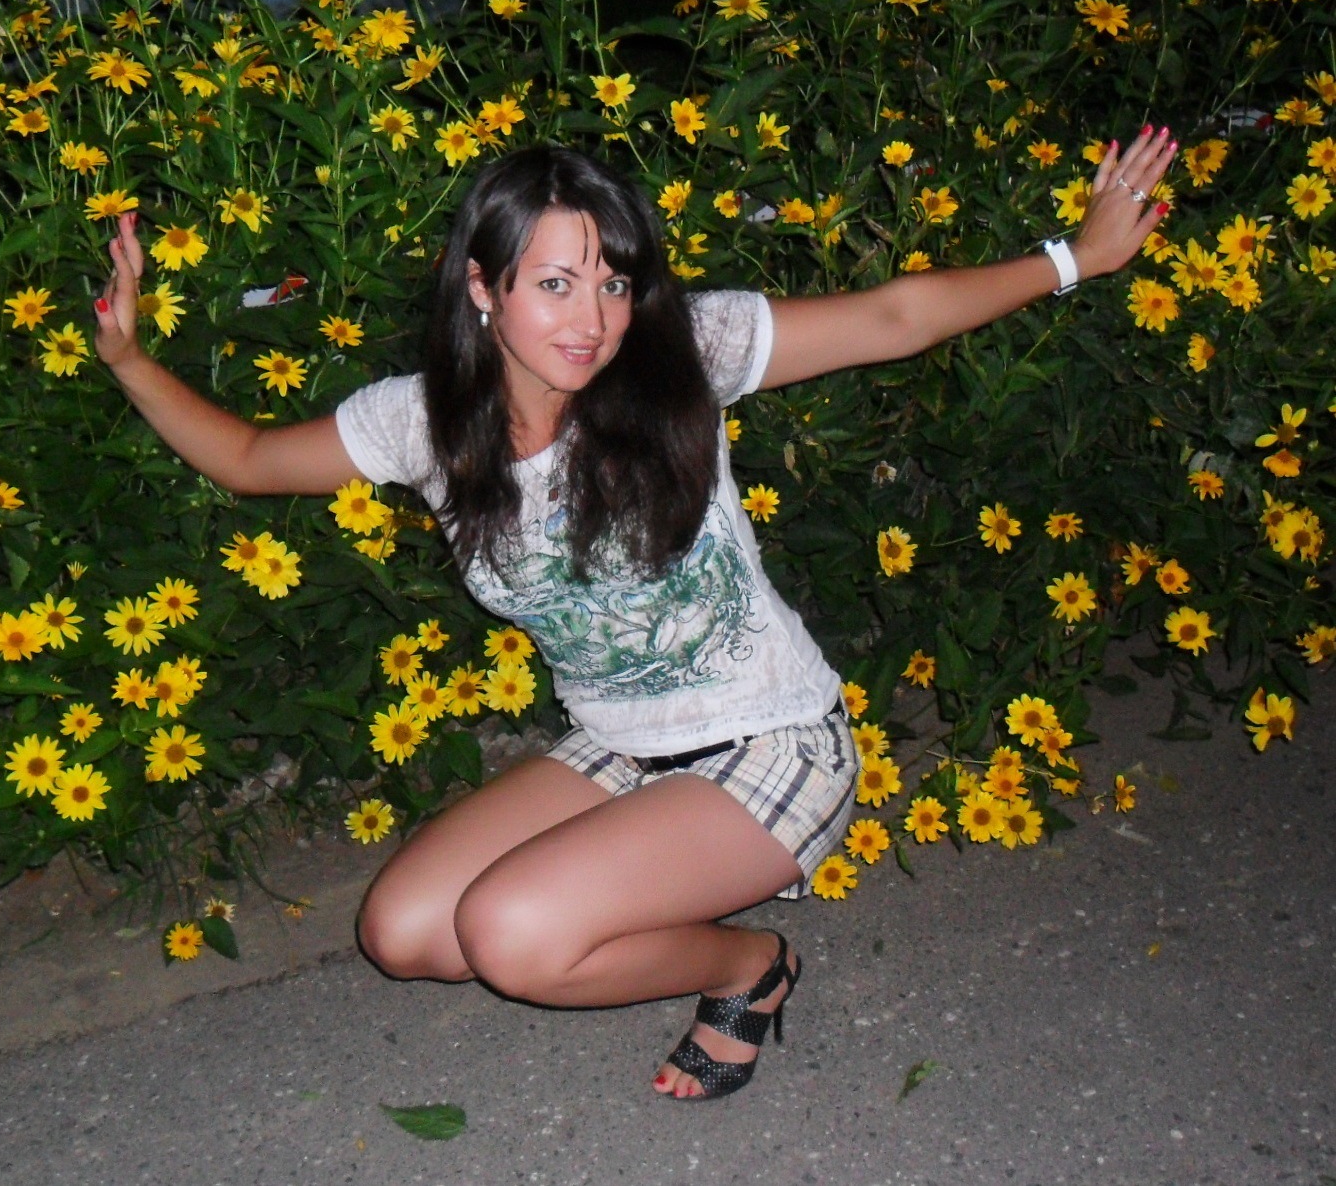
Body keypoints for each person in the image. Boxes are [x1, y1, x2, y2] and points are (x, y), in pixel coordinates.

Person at [94, 128, 1175, 1101]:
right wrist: (131, 362)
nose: (593, 320)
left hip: (771, 741)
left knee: (510, 936)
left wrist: (1076, 257)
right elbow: (249, 457)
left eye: (612, 283)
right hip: (617, 745)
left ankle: (748, 965)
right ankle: (662, 911)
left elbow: (893, 316)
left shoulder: (680, 355)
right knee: (406, 933)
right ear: (482, 287)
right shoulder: (426, 425)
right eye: (554, 284)